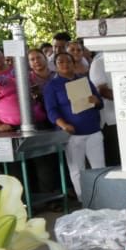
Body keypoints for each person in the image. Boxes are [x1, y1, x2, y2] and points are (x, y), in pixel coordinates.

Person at [43, 51, 105, 199]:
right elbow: (51, 110)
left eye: (68, 62)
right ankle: (82, 199)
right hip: (72, 133)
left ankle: (102, 198)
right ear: (55, 66)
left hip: (93, 130)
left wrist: (95, 101)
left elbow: (100, 103)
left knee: (99, 168)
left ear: (73, 63)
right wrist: (63, 125)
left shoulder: (84, 80)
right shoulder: (52, 85)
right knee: (77, 169)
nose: (65, 65)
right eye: (61, 62)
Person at [0, 43, 45, 131]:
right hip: (11, 128)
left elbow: (36, 91)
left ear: (3, 54)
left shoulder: (20, 69)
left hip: (39, 122)